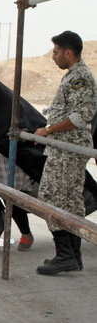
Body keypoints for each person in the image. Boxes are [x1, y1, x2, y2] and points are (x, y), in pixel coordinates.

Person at [35, 31, 96, 275]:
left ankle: (66, 254)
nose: (53, 57)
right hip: (66, 149)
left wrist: (48, 130)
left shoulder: (80, 77)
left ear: (68, 53)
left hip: (68, 151)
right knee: (70, 202)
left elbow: (81, 116)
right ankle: (72, 256)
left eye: (56, 52)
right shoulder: (74, 75)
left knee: (50, 197)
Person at [0, 77, 48, 251]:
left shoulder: (10, 108)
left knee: (10, 197)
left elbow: (20, 134)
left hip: (5, 161)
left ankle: (26, 233)